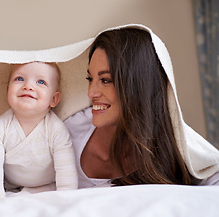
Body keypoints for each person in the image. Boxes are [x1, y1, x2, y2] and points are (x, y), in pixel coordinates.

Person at [64, 26, 219, 188]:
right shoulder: (68, 132)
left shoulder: (176, 141)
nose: (91, 93)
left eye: (105, 80)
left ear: (138, 85)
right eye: (90, 79)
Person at [0, 62, 78, 199]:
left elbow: (66, 173)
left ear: (54, 99)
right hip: (9, 188)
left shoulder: (56, 130)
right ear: (8, 90)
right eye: (19, 79)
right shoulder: (1, 125)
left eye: (40, 82)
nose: (28, 86)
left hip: (48, 187)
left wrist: (65, 201)